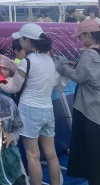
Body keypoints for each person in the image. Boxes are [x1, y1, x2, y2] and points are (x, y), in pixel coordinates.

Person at [0, 24, 60, 185]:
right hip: (47, 109)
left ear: (28, 41)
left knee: (32, 155)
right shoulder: (49, 59)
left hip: (29, 110)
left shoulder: (26, 62)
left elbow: (13, 87)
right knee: (51, 154)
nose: (19, 41)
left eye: (21, 38)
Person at [55, 19, 100, 184]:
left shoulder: (89, 54)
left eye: (81, 36)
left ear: (89, 34)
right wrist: (77, 65)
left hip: (89, 109)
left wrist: (62, 65)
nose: (79, 39)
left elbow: (79, 77)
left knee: (92, 151)